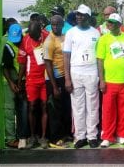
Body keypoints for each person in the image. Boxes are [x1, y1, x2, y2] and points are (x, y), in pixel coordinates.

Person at [63, 4, 100, 149]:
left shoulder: (95, 33)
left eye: (82, 15)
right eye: (77, 14)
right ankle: (80, 136)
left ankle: (92, 136)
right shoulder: (71, 33)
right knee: (78, 106)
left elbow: (99, 57)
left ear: (88, 17)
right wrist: (67, 78)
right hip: (76, 71)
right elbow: (66, 56)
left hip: (91, 71)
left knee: (92, 106)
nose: (79, 17)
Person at [97, 13, 124, 148]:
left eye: (112, 22)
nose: (109, 24)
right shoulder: (104, 39)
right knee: (108, 111)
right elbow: (100, 60)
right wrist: (102, 80)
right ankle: (107, 136)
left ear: (119, 24)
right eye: (108, 22)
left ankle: (122, 134)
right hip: (109, 81)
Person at [18, 21, 49, 149]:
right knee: (32, 106)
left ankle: (43, 137)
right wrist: (20, 80)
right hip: (31, 79)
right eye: (31, 35)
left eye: (35, 35)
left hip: (45, 78)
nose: (33, 37)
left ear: (40, 31)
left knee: (44, 106)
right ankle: (32, 136)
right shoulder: (25, 40)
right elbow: (22, 62)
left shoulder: (46, 36)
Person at [44, 15, 72, 148]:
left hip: (63, 77)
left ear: (62, 24)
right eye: (53, 24)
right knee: (55, 110)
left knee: (65, 108)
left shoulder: (64, 37)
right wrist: (54, 87)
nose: (55, 27)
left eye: (57, 24)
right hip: (53, 80)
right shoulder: (49, 40)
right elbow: (48, 64)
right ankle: (54, 139)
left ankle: (65, 134)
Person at [1, 23, 29, 149]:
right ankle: (11, 138)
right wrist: (12, 83)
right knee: (10, 110)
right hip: (9, 81)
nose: (16, 42)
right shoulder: (8, 46)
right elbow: (5, 67)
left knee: (23, 109)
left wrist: (21, 82)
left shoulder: (25, 42)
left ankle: (22, 136)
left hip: (22, 81)